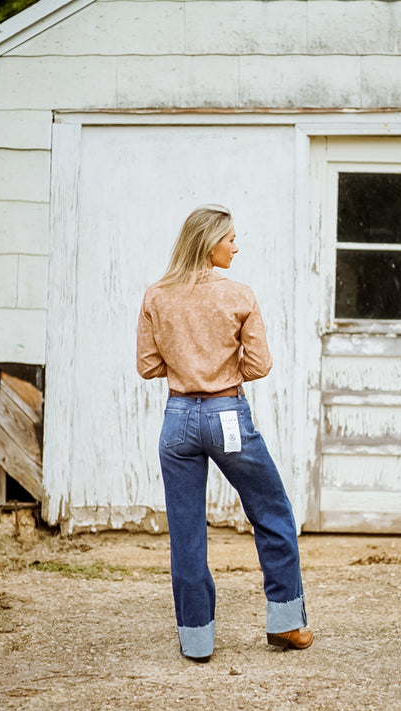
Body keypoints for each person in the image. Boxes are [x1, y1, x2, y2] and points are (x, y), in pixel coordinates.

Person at [136, 204, 312, 663]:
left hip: (177, 420)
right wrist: (219, 369)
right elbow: (260, 365)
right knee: (271, 511)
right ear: (208, 241)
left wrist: (187, 360)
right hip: (226, 413)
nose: (236, 245)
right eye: (230, 238)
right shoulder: (239, 295)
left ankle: (196, 640)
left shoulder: (156, 295)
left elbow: (148, 365)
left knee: (187, 532)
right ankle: (286, 622)